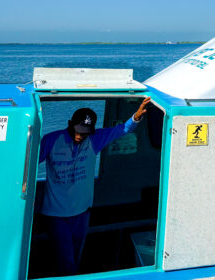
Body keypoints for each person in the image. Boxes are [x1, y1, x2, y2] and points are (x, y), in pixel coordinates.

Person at [38, 97, 151, 276]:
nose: (80, 136)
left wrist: (136, 117)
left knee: (76, 255)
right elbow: (28, 163)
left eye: (84, 133)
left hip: (82, 212)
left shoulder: (94, 139)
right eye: (77, 131)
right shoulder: (51, 140)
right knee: (65, 261)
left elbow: (122, 130)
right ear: (69, 124)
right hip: (56, 214)